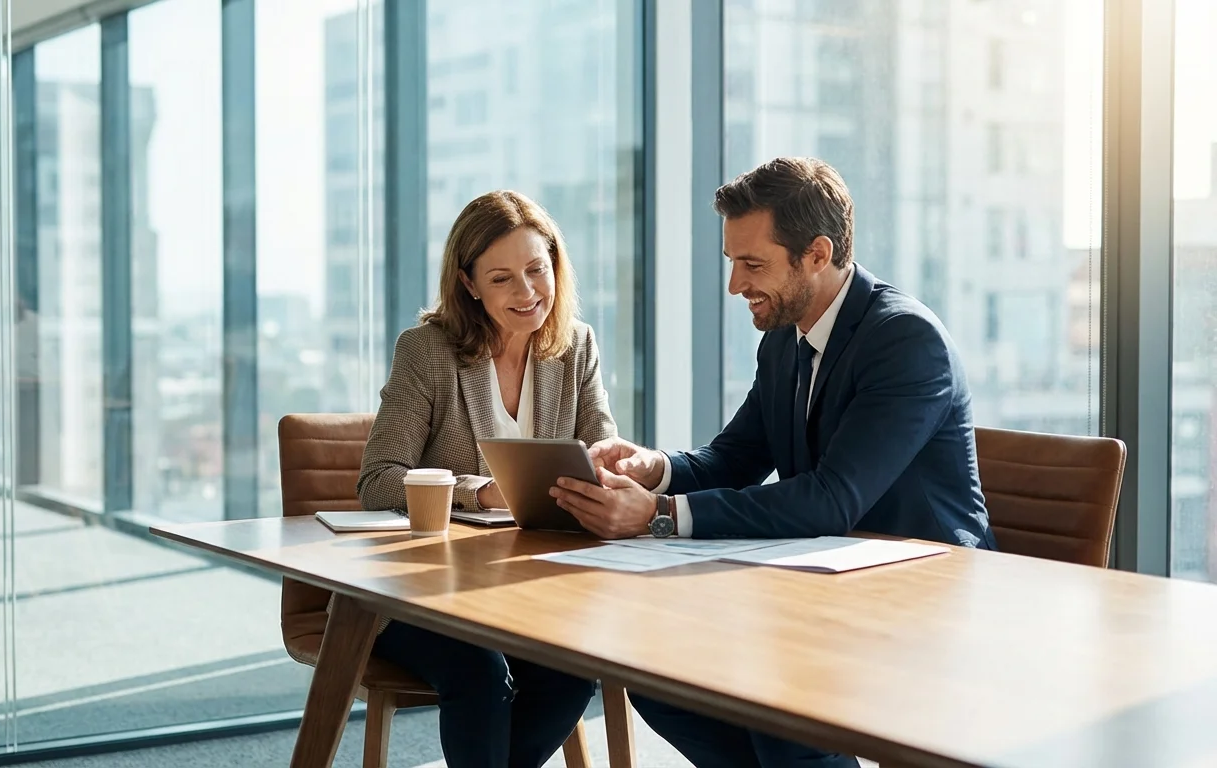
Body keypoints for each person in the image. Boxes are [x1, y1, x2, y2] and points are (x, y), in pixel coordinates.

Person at [548, 157, 997, 767]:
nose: (735, 285)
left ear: (817, 253)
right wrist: (654, 469)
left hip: (917, 593)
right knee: (659, 673)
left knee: (775, 699)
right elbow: (735, 458)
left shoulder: (904, 341)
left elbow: (831, 498)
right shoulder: (784, 338)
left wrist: (654, 517)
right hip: (820, 581)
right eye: (733, 262)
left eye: (752, 264)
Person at [357, 190, 616, 767]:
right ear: (469, 284)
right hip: (422, 591)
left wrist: (612, 472)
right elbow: (378, 478)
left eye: (536, 270)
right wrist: (479, 490)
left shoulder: (576, 346)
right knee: (478, 670)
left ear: (555, 265)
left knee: (572, 672)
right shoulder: (428, 351)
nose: (527, 294)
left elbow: (602, 451)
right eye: (502, 279)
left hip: (526, 585)